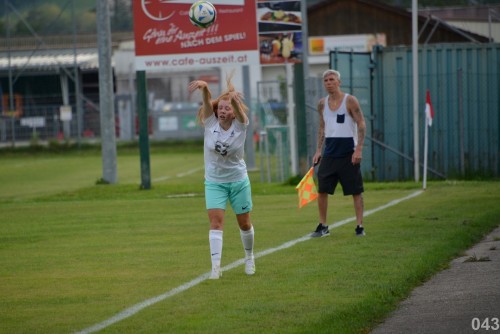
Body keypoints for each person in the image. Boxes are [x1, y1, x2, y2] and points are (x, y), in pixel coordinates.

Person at [188, 74, 255, 279]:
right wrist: (205, 88)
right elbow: (207, 102)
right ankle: (216, 268)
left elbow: (242, 116)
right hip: (214, 182)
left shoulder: (241, 126)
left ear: (234, 113)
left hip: (238, 181)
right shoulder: (210, 123)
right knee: (216, 223)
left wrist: (233, 99)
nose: (223, 111)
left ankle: (249, 257)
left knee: (244, 223)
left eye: (228, 108)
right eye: (221, 108)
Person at [311, 69, 367, 238]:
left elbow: (361, 123)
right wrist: (319, 150)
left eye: (332, 79)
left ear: (339, 82)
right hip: (330, 152)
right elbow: (322, 127)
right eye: (326, 80)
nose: (329, 82)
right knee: (322, 190)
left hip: (348, 152)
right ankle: (323, 225)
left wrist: (358, 149)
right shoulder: (322, 103)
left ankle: (359, 226)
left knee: (356, 191)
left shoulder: (350, 101)